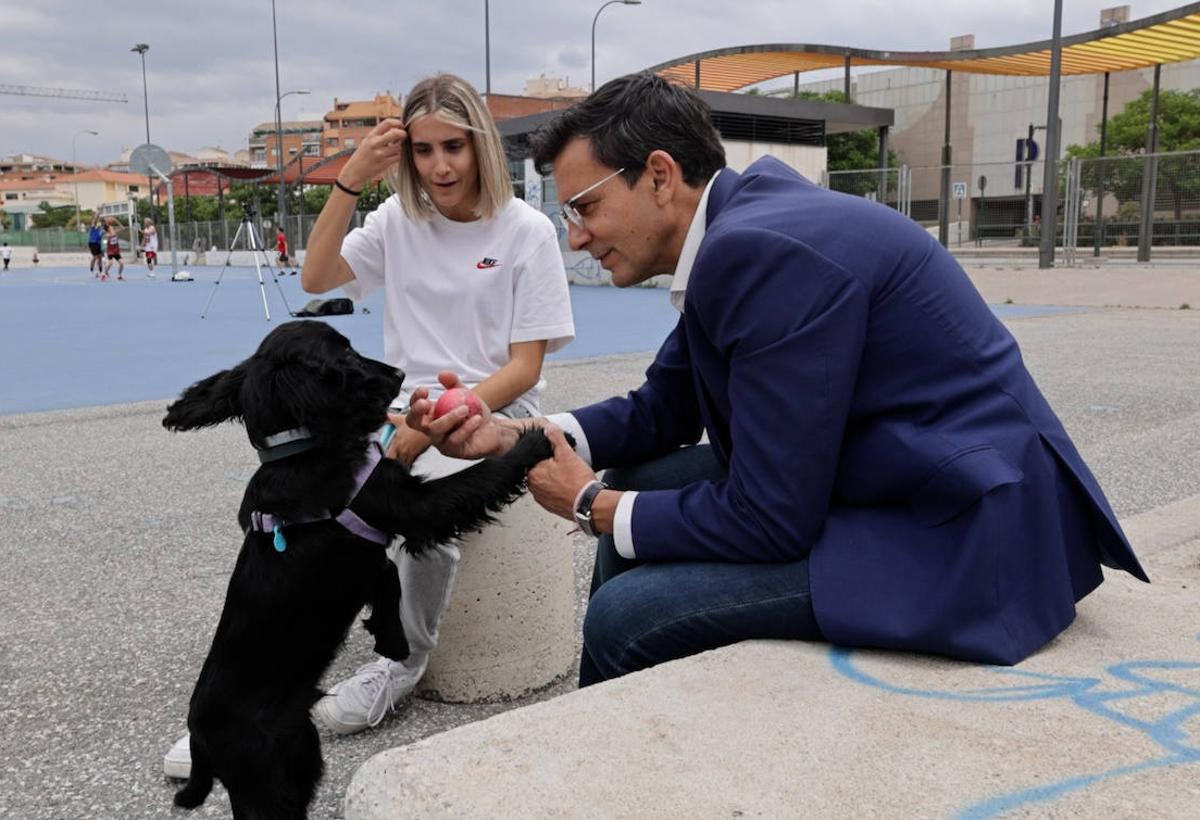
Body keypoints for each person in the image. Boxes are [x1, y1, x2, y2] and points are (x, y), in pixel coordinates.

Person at [408, 72, 1148, 689]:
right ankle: (638, 727)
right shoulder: (740, 229)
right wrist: (514, 437)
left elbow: (772, 519)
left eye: (585, 206)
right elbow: (665, 407)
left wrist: (591, 504)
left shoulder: (758, 252)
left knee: (625, 615)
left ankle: (610, 768)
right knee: (647, 480)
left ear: (660, 176)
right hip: (900, 478)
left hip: (963, 535)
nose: (575, 235)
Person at [162, 72, 575, 778]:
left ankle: (398, 666)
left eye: (455, 146)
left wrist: (446, 417)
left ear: (479, 145)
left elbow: (524, 365)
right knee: (287, 519)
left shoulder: (525, 231)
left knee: (422, 529)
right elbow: (316, 280)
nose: (440, 165)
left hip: (491, 407)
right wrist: (350, 180)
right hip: (395, 409)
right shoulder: (395, 222)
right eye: (423, 150)